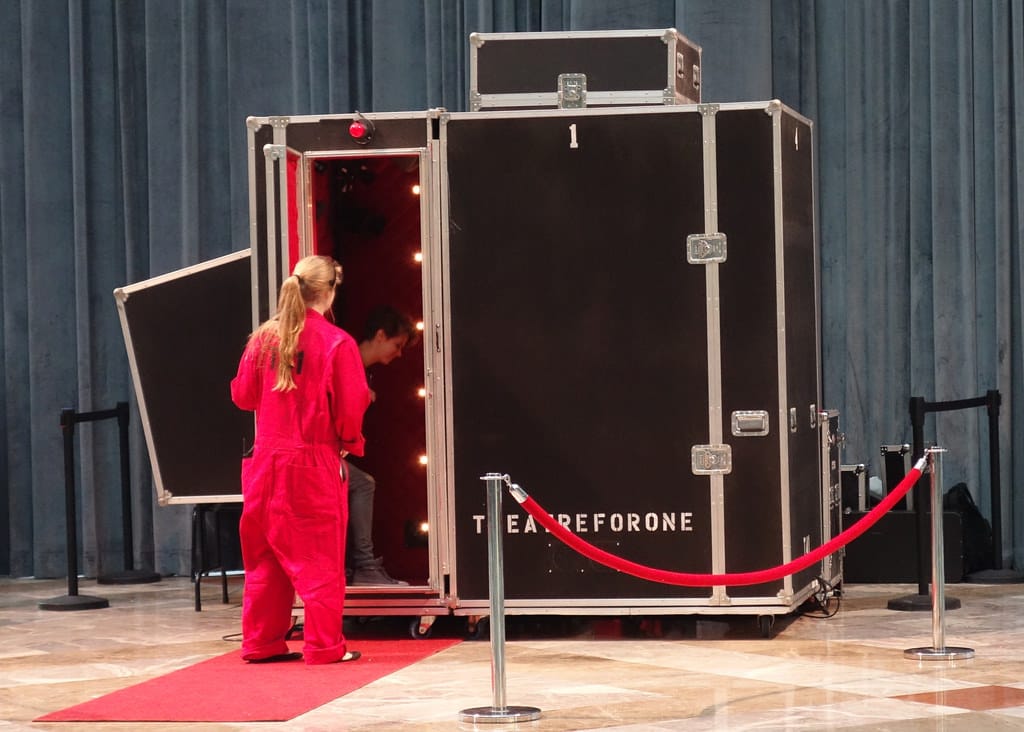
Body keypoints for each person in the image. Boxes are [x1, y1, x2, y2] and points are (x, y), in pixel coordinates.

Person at [230, 255, 370, 665]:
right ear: (328, 293)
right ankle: (325, 646)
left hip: (264, 462)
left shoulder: (263, 338)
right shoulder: (337, 342)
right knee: (320, 558)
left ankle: (261, 642)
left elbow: (243, 396)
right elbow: (351, 404)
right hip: (311, 461)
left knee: (265, 559)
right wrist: (349, 442)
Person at [346, 305, 418, 585]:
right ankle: (364, 566)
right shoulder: (346, 359)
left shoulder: (359, 369)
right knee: (363, 484)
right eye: (397, 344)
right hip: (314, 453)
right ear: (379, 335)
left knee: (361, 483)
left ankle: (360, 566)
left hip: (324, 452)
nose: (398, 353)